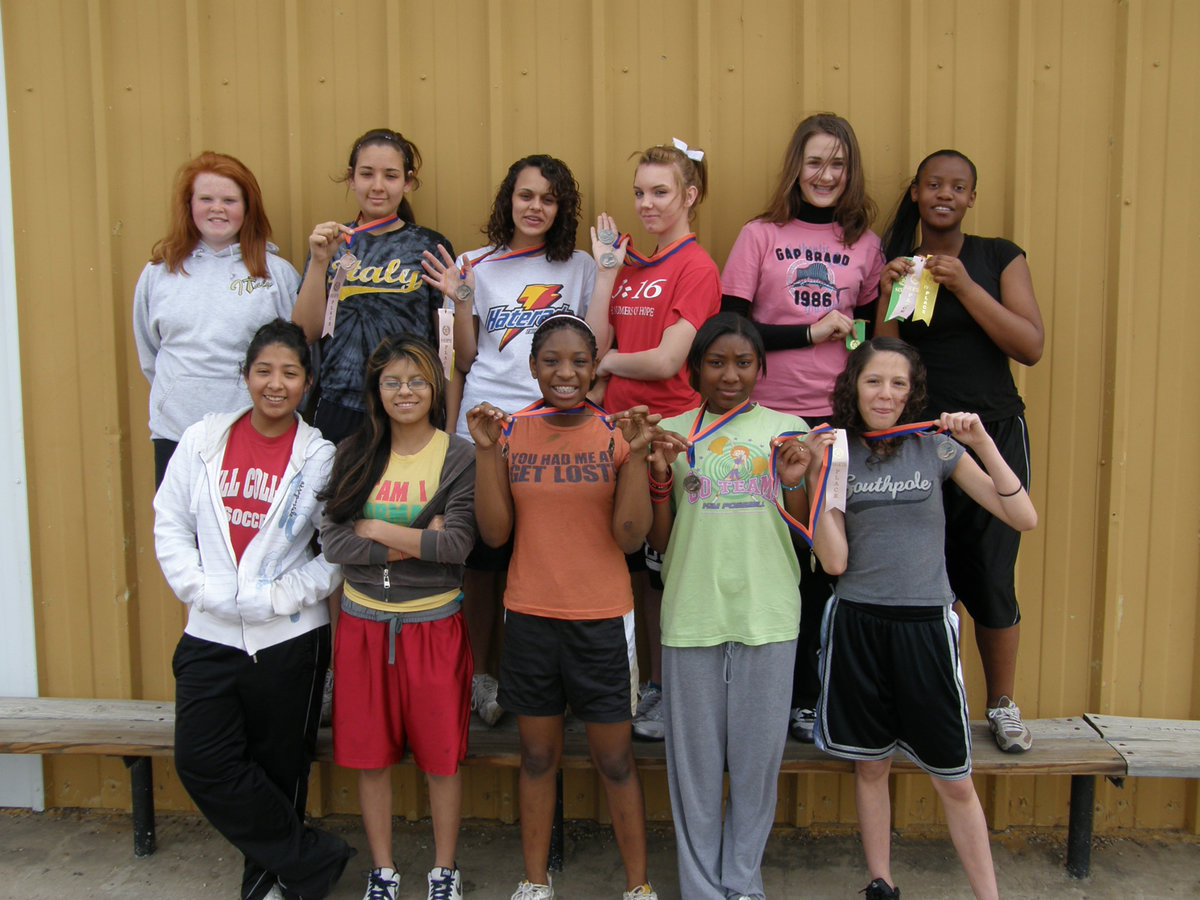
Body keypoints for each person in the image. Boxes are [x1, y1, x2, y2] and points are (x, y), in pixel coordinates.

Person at [805, 336, 1037, 899]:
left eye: (898, 384)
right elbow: (833, 560)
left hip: (926, 627)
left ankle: (989, 896)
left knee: (954, 779)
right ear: (852, 386)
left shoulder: (936, 449)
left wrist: (980, 440)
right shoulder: (836, 451)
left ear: (914, 393)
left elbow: (1022, 515)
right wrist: (814, 475)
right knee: (871, 767)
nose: (885, 394)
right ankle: (881, 883)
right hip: (858, 623)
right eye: (873, 381)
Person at [467, 313, 664, 900]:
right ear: (532, 367)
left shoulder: (614, 432)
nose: (565, 372)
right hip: (529, 615)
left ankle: (638, 886)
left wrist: (635, 452)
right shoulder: (510, 433)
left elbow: (632, 536)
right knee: (535, 756)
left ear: (594, 365)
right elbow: (495, 535)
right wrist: (483, 454)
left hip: (601, 618)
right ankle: (534, 883)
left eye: (579, 361)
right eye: (551, 360)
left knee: (616, 761)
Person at [153, 319, 351, 900]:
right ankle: (314, 858)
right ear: (244, 376)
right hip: (209, 633)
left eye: (290, 372)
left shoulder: (320, 457)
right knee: (201, 761)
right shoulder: (202, 440)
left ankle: (265, 885)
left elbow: (335, 553)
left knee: (280, 770)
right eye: (263, 370)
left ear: (307, 383)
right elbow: (171, 523)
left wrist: (276, 598)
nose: (275, 383)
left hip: (289, 639)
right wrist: (199, 588)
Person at [721, 112, 885, 744]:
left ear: (851, 173)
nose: (825, 175)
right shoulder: (759, 235)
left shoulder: (865, 245)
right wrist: (809, 332)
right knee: (771, 560)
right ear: (796, 166)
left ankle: (810, 698)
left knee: (826, 563)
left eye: (838, 164)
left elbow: (868, 338)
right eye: (814, 161)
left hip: (833, 424)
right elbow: (731, 335)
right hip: (766, 423)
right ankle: (761, 695)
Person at [877, 149, 1045, 752]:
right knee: (924, 575)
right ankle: (926, 704)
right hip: (921, 440)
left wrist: (967, 286)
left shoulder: (999, 256)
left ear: (972, 196)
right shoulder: (902, 265)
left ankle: (1002, 704)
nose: (944, 194)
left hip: (993, 433)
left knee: (992, 572)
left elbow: (1029, 346)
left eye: (958, 186)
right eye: (932, 185)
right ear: (917, 193)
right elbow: (883, 361)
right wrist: (886, 292)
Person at [420, 154, 594, 728]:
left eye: (548, 198)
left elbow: (597, 349)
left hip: (556, 430)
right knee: (484, 561)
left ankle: (543, 681)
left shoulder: (582, 267)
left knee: (546, 554)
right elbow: (462, 358)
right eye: (525, 195)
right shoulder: (474, 265)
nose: (536, 207)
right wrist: (461, 296)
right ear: (508, 200)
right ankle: (481, 677)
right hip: (488, 427)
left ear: (561, 207)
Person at [646, 313, 811, 900]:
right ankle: (700, 889)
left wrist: (793, 480)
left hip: (768, 613)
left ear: (761, 367)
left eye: (744, 362)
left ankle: (742, 883)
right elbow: (660, 541)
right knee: (692, 770)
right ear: (694, 370)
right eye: (717, 362)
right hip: (691, 613)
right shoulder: (671, 429)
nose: (731, 374)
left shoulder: (789, 429)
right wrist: (660, 475)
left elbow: (803, 529)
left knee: (755, 765)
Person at [318, 334, 475, 900]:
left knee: (441, 758)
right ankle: (382, 870)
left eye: (416, 380)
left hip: (433, 624)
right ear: (375, 390)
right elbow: (334, 541)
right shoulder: (354, 451)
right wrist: (413, 541)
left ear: (434, 387)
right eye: (392, 381)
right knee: (370, 755)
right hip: (363, 625)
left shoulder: (456, 454)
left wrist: (377, 528)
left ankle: (443, 871)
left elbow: (457, 545)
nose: (404, 391)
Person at [583, 139, 722, 741]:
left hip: (669, 437)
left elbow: (668, 361)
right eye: (639, 192)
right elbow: (590, 344)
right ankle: (638, 684)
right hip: (617, 436)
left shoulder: (697, 267)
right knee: (628, 568)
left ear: (689, 196)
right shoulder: (630, 263)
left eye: (660, 192)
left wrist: (606, 363)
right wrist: (607, 272)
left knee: (671, 570)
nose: (646, 203)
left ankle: (671, 691)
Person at [134, 151, 300, 487]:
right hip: (176, 431)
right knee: (181, 534)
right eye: (206, 199)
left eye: (229, 200)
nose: (217, 209)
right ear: (189, 205)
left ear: (247, 207)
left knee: (245, 534)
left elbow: (297, 354)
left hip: (253, 429)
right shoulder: (158, 273)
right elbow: (150, 353)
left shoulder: (275, 274)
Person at [292, 128, 453, 446]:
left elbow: (446, 347)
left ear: (406, 182)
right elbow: (304, 333)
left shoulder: (429, 246)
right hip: (341, 404)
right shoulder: (332, 243)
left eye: (390, 176)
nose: (378, 186)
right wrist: (320, 261)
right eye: (367, 174)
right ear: (351, 178)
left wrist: (445, 411)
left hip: (410, 406)